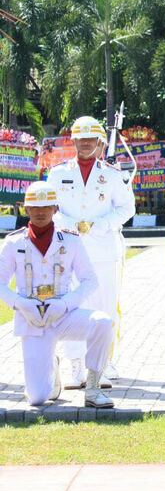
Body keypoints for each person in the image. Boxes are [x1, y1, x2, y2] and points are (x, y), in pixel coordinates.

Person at [0, 181, 115, 408]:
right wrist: (21, 304)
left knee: (103, 322)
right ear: (26, 209)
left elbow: (90, 280)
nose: (41, 212)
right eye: (35, 207)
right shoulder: (14, 242)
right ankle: (51, 368)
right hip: (32, 318)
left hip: (63, 314)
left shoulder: (70, 240)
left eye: (46, 206)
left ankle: (92, 388)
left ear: (55, 208)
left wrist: (65, 304)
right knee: (38, 398)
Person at [46, 116, 135, 389]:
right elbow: (49, 208)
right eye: (80, 139)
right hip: (69, 249)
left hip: (103, 249)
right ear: (72, 141)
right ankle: (76, 368)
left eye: (90, 140)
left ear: (99, 143)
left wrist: (101, 224)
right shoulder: (59, 173)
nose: (85, 144)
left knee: (105, 308)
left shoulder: (111, 174)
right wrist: (69, 224)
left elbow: (126, 209)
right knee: (72, 309)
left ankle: (100, 367)